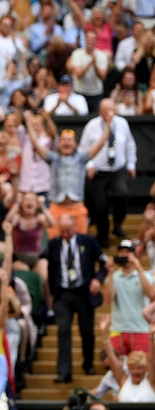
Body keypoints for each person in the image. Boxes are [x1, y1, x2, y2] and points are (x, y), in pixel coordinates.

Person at [49, 214, 109, 383]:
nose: (66, 234)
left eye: (68, 230)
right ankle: (64, 372)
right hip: (63, 294)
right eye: (63, 231)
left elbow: (104, 261)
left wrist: (98, 279)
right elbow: (51, 269)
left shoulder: (88, 241)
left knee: (87, 331)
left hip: (83, 292)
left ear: (75, 228)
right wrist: (52, 293)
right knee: (63, 329)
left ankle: (88, 363)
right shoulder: (54, 244)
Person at [78, 99, 137, 247]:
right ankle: (103, 235)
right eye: (106, 112)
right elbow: (82, 149)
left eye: (112, 111)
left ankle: (118, 224)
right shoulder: (91, 126)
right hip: (98, 172)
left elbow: (130, 144)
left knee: (122, 193)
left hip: (118, 170)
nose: (109, 115)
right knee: (101, 205)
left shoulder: (122, 123)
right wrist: (89, 164)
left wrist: (131, 164)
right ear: (100, 112)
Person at [104, 240, 155, 355]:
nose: (124, 254)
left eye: (128, 251)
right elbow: (107, 300)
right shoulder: (114, 277)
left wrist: (139, 269)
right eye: (121, 252)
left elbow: (151, 295)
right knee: (118, 369)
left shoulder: (145, 275)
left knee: (141, 368)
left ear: (134, 254)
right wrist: (110, 273)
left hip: (141, 329)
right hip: (118, 330)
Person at [98, 315, 155, 402]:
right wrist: (104, 333)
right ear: (128, 369)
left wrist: (151, 337)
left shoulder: (151, 380)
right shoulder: (123, 380)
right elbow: (111, 357)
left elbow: (152, 359)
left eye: (139, 368)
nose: (136, 371)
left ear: (145, 369)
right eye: (132, 368)